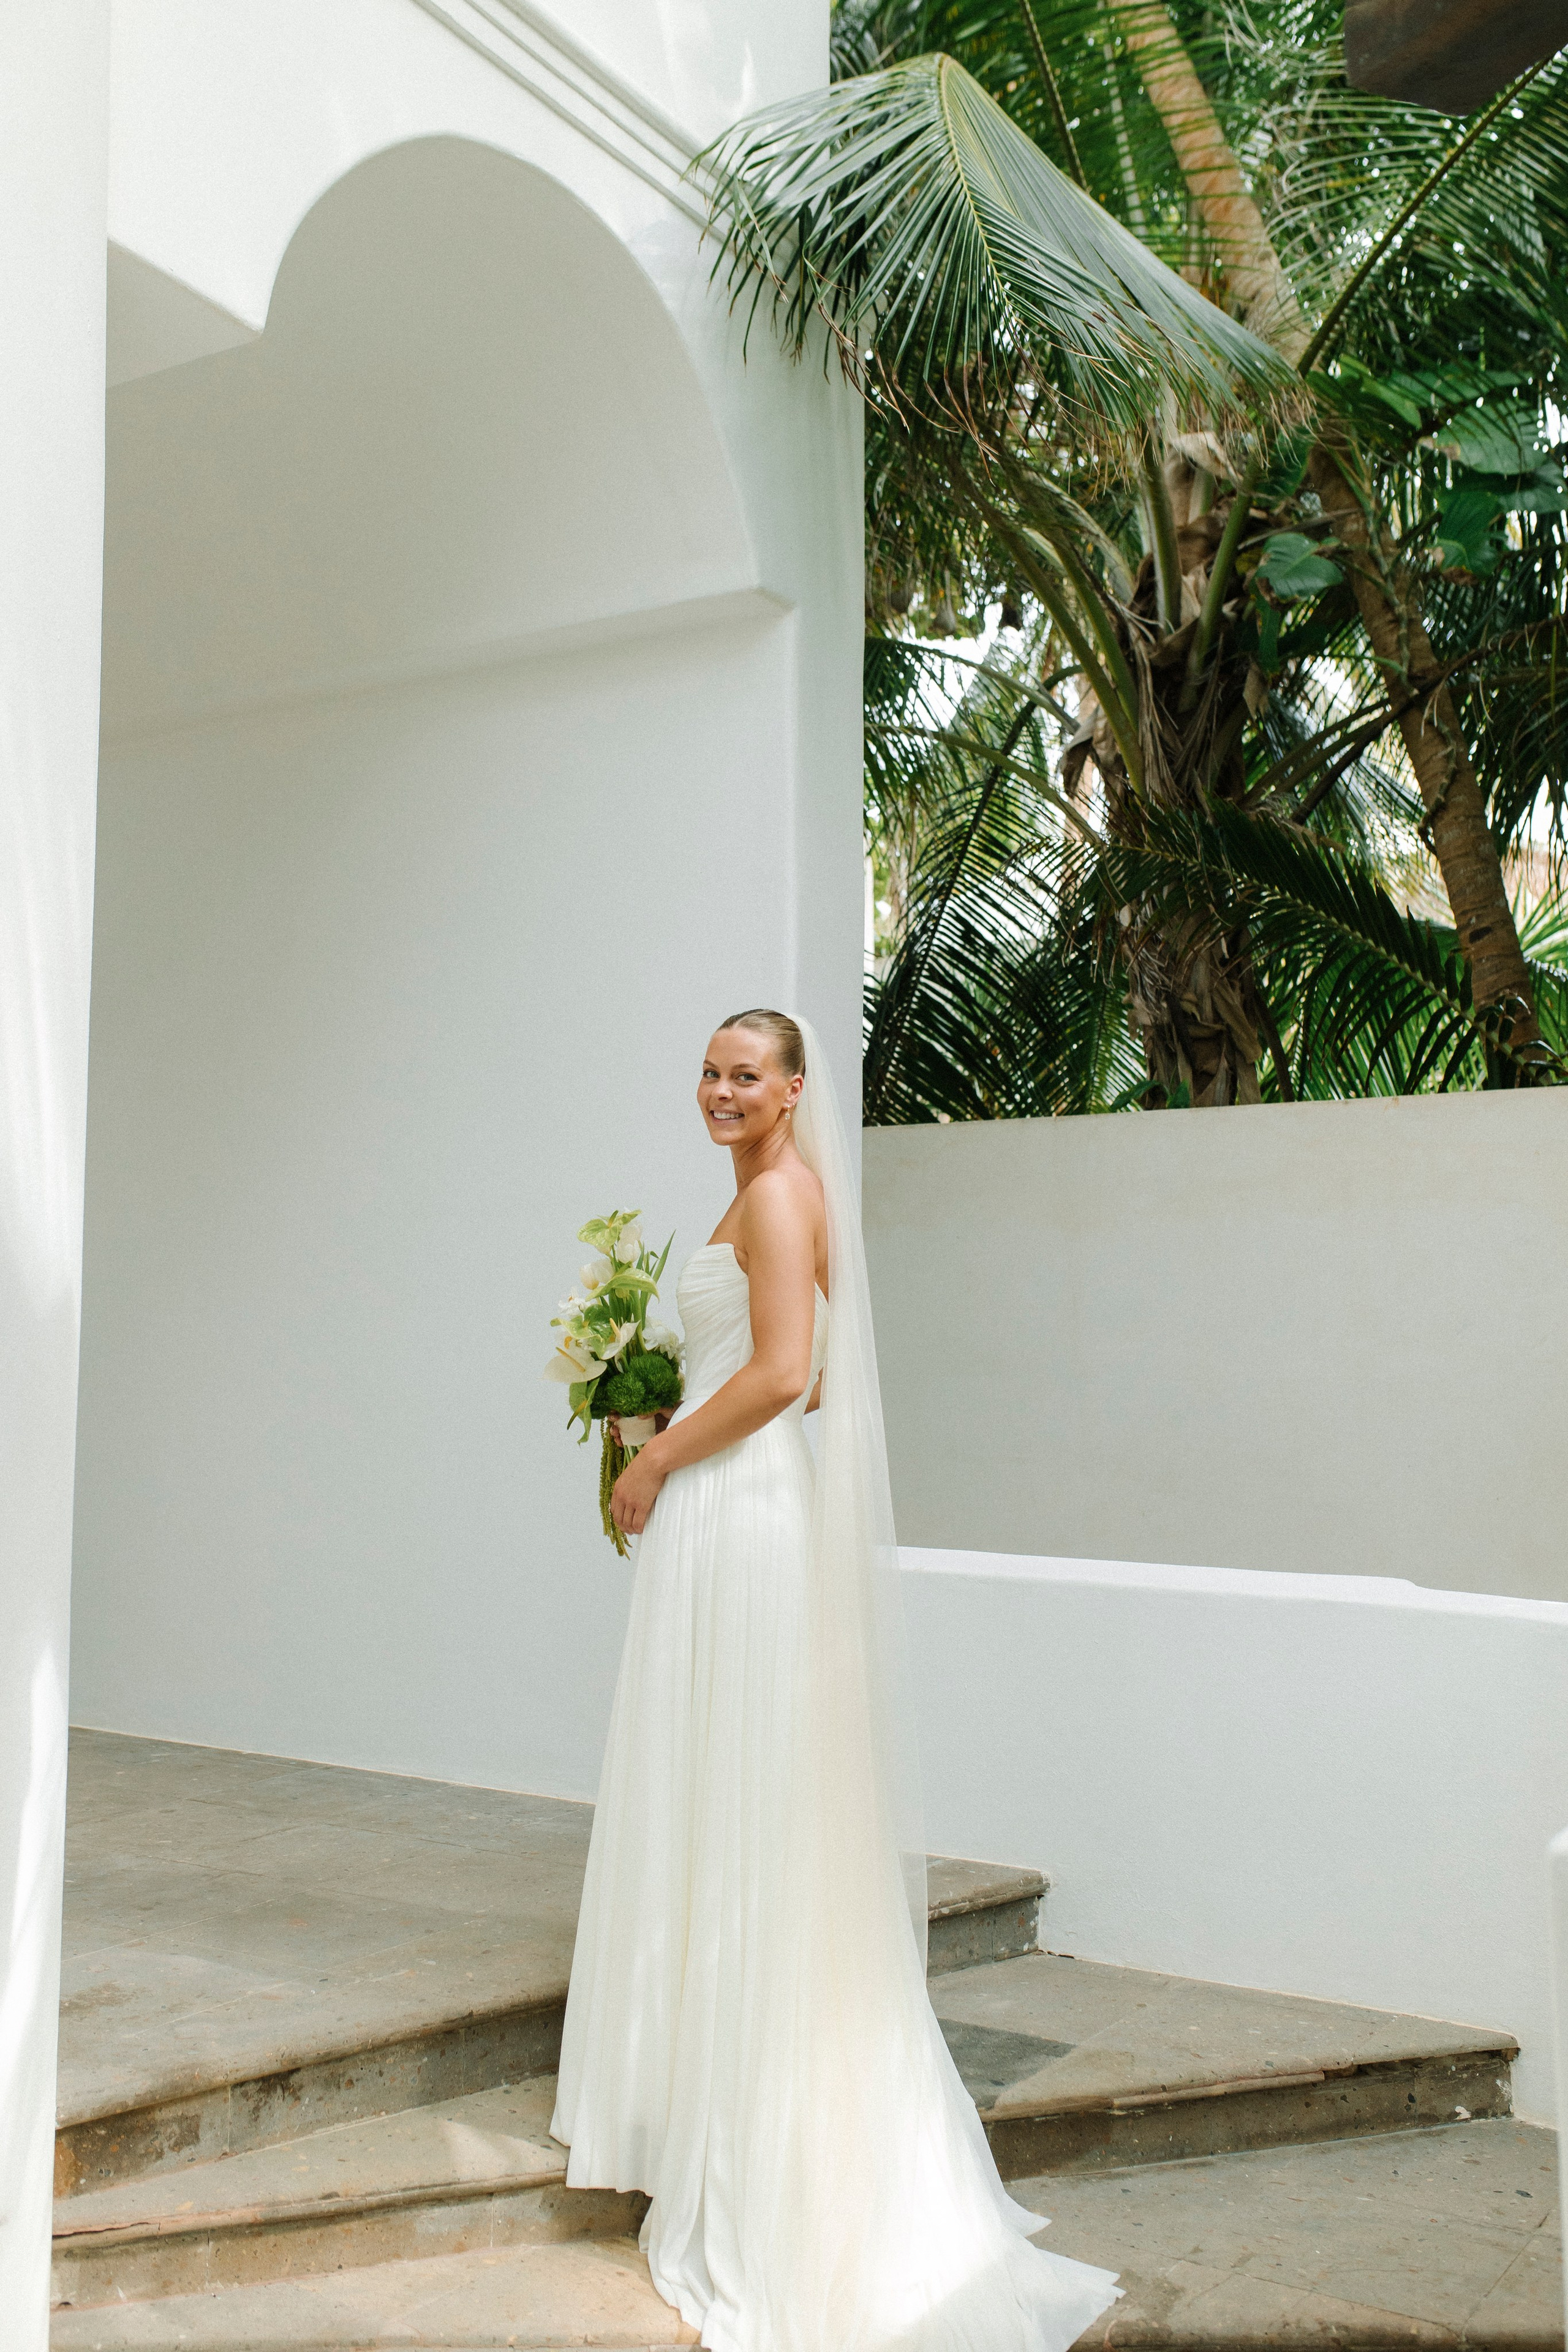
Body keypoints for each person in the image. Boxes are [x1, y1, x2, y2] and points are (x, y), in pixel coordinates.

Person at [550, 1009, 1119, 2352]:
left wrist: (651, 1459)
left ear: (796, 1087)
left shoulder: (787, 1193)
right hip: (722, 1503)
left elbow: (790, 1374)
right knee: (716, 1798)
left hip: (735, 1517)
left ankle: (769, 2153)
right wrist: (648, 1411)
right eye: (707, 1071)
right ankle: (705, 2091)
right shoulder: (750, 1195)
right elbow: (772, 1378)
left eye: (746, 1075)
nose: (721, 1091)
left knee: (748, 1814)